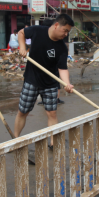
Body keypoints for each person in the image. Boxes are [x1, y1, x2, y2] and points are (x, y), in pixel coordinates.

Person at [14, 14, 74, 149]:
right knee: (23, 111)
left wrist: (67, 84)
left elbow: (62, 69)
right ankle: (15, 140)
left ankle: (53, 142)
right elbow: (21, 33)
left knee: (52, 113)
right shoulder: (38, 30)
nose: (66, 34)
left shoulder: (62, 47)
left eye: (68, 32)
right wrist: (22, 47)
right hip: (32, 79)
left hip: (50, 82)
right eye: (65, 30)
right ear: (56, 25)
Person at [38, 19, 65, 105]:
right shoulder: (41, 38)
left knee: (56, 82)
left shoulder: (57, 39)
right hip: (43, 66)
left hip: (54, 65)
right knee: (43, 83)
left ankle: (56, 99)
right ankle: (45, 99)